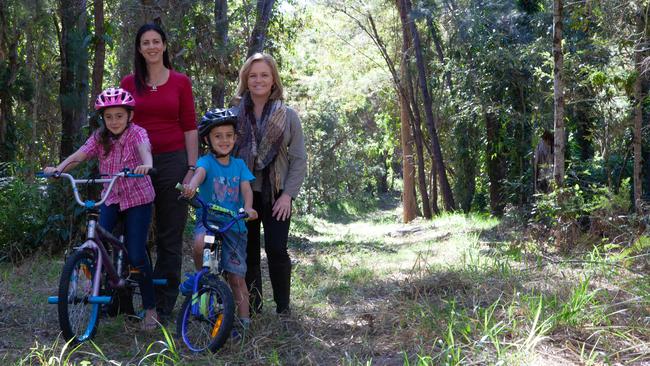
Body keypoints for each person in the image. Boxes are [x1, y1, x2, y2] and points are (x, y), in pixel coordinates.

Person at [44, 87, 159, 330]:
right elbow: (79, 155)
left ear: (130, 116)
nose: (114, 121)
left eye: (119, 115)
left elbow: (145, 151)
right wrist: (59, 169)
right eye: (109, 117)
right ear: (102, 119)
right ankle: (97, 285)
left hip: (138, 198)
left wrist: (147, 166)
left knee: (136, 253)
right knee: (97, 239)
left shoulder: (137, 133)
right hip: (111, 196)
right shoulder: (99, 137)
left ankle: (150, 307)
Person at [120, 23, 198, 320]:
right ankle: (127, 299)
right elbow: (118, 124)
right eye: (145, 43)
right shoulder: (129, 83)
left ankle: (164, 304)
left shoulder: (180, 82)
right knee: (131, 232)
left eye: (156, 41)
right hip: (137, 162)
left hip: (172, 162)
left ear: (164, 45)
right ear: (139, 49)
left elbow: (190, 128)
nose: (151, 47)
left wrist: (191, 168)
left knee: (170, 232)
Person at [232, 53, 307, 315]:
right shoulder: (233, 115)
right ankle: (253, 309)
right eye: (252, 75)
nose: (258, 80)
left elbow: (299, 160)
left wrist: (288, 196)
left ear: (273, 79)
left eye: (264, 74)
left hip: (276, 195)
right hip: (245, 195)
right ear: (245, 79)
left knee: (276, 250)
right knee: (249, 253)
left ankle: (283, 310)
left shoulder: (288, 116)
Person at [180, 107, 258, 331]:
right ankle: (201, 277)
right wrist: (191, 188)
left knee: (236, 277)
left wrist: (248, 208)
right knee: (201, 244)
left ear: (235, 138)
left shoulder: (239, 165)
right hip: (210, 222)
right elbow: (198, 176)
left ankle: (244, 324)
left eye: (229, 136)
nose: (224, 140)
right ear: (208, 139)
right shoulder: (206, 162)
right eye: (218, 136)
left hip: (234, 225)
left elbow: (246, 190)